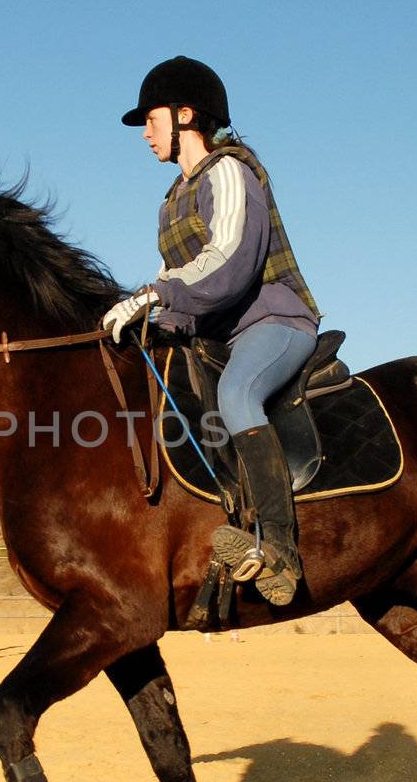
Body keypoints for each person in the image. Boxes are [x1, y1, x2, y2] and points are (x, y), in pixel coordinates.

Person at [102, 56, 321, 606]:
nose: (145, 132)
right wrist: (143, 317)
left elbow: (228, 262)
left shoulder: (230, 171)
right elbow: (174, 281)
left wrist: (157, 297)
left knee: (236, 392)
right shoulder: (170, 200)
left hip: (277, 322)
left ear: (184, 116)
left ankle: (279, 548)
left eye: (150, 120)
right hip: (224, 334)